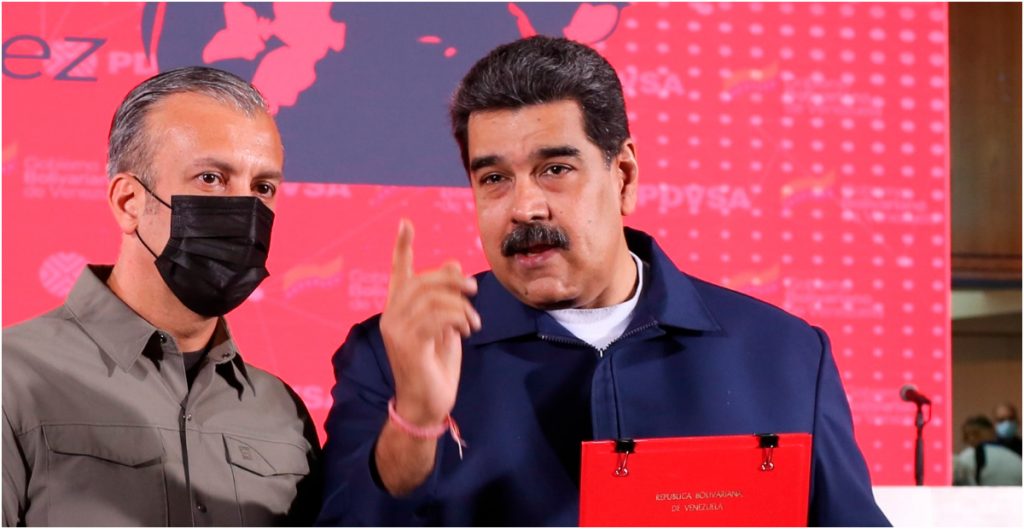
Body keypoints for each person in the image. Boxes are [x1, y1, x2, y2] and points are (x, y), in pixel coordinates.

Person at [318, 36, 889, 526]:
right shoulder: (390, 355)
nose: (525, 207)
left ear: (624, 176)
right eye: (494, 178)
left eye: (555, 169)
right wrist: (416, 419)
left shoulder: (785, 354)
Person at [2, 67, 321, 526]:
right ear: (129, 202)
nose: (245, 209)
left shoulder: (283, 413)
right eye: (211, 178)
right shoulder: (13, 377)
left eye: (262, 187)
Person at [953, 415, 1023, 486]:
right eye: (966, 435)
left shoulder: (966, 457)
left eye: (976, 433)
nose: (971, 438)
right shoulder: (1014, 456)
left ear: (991, 431)